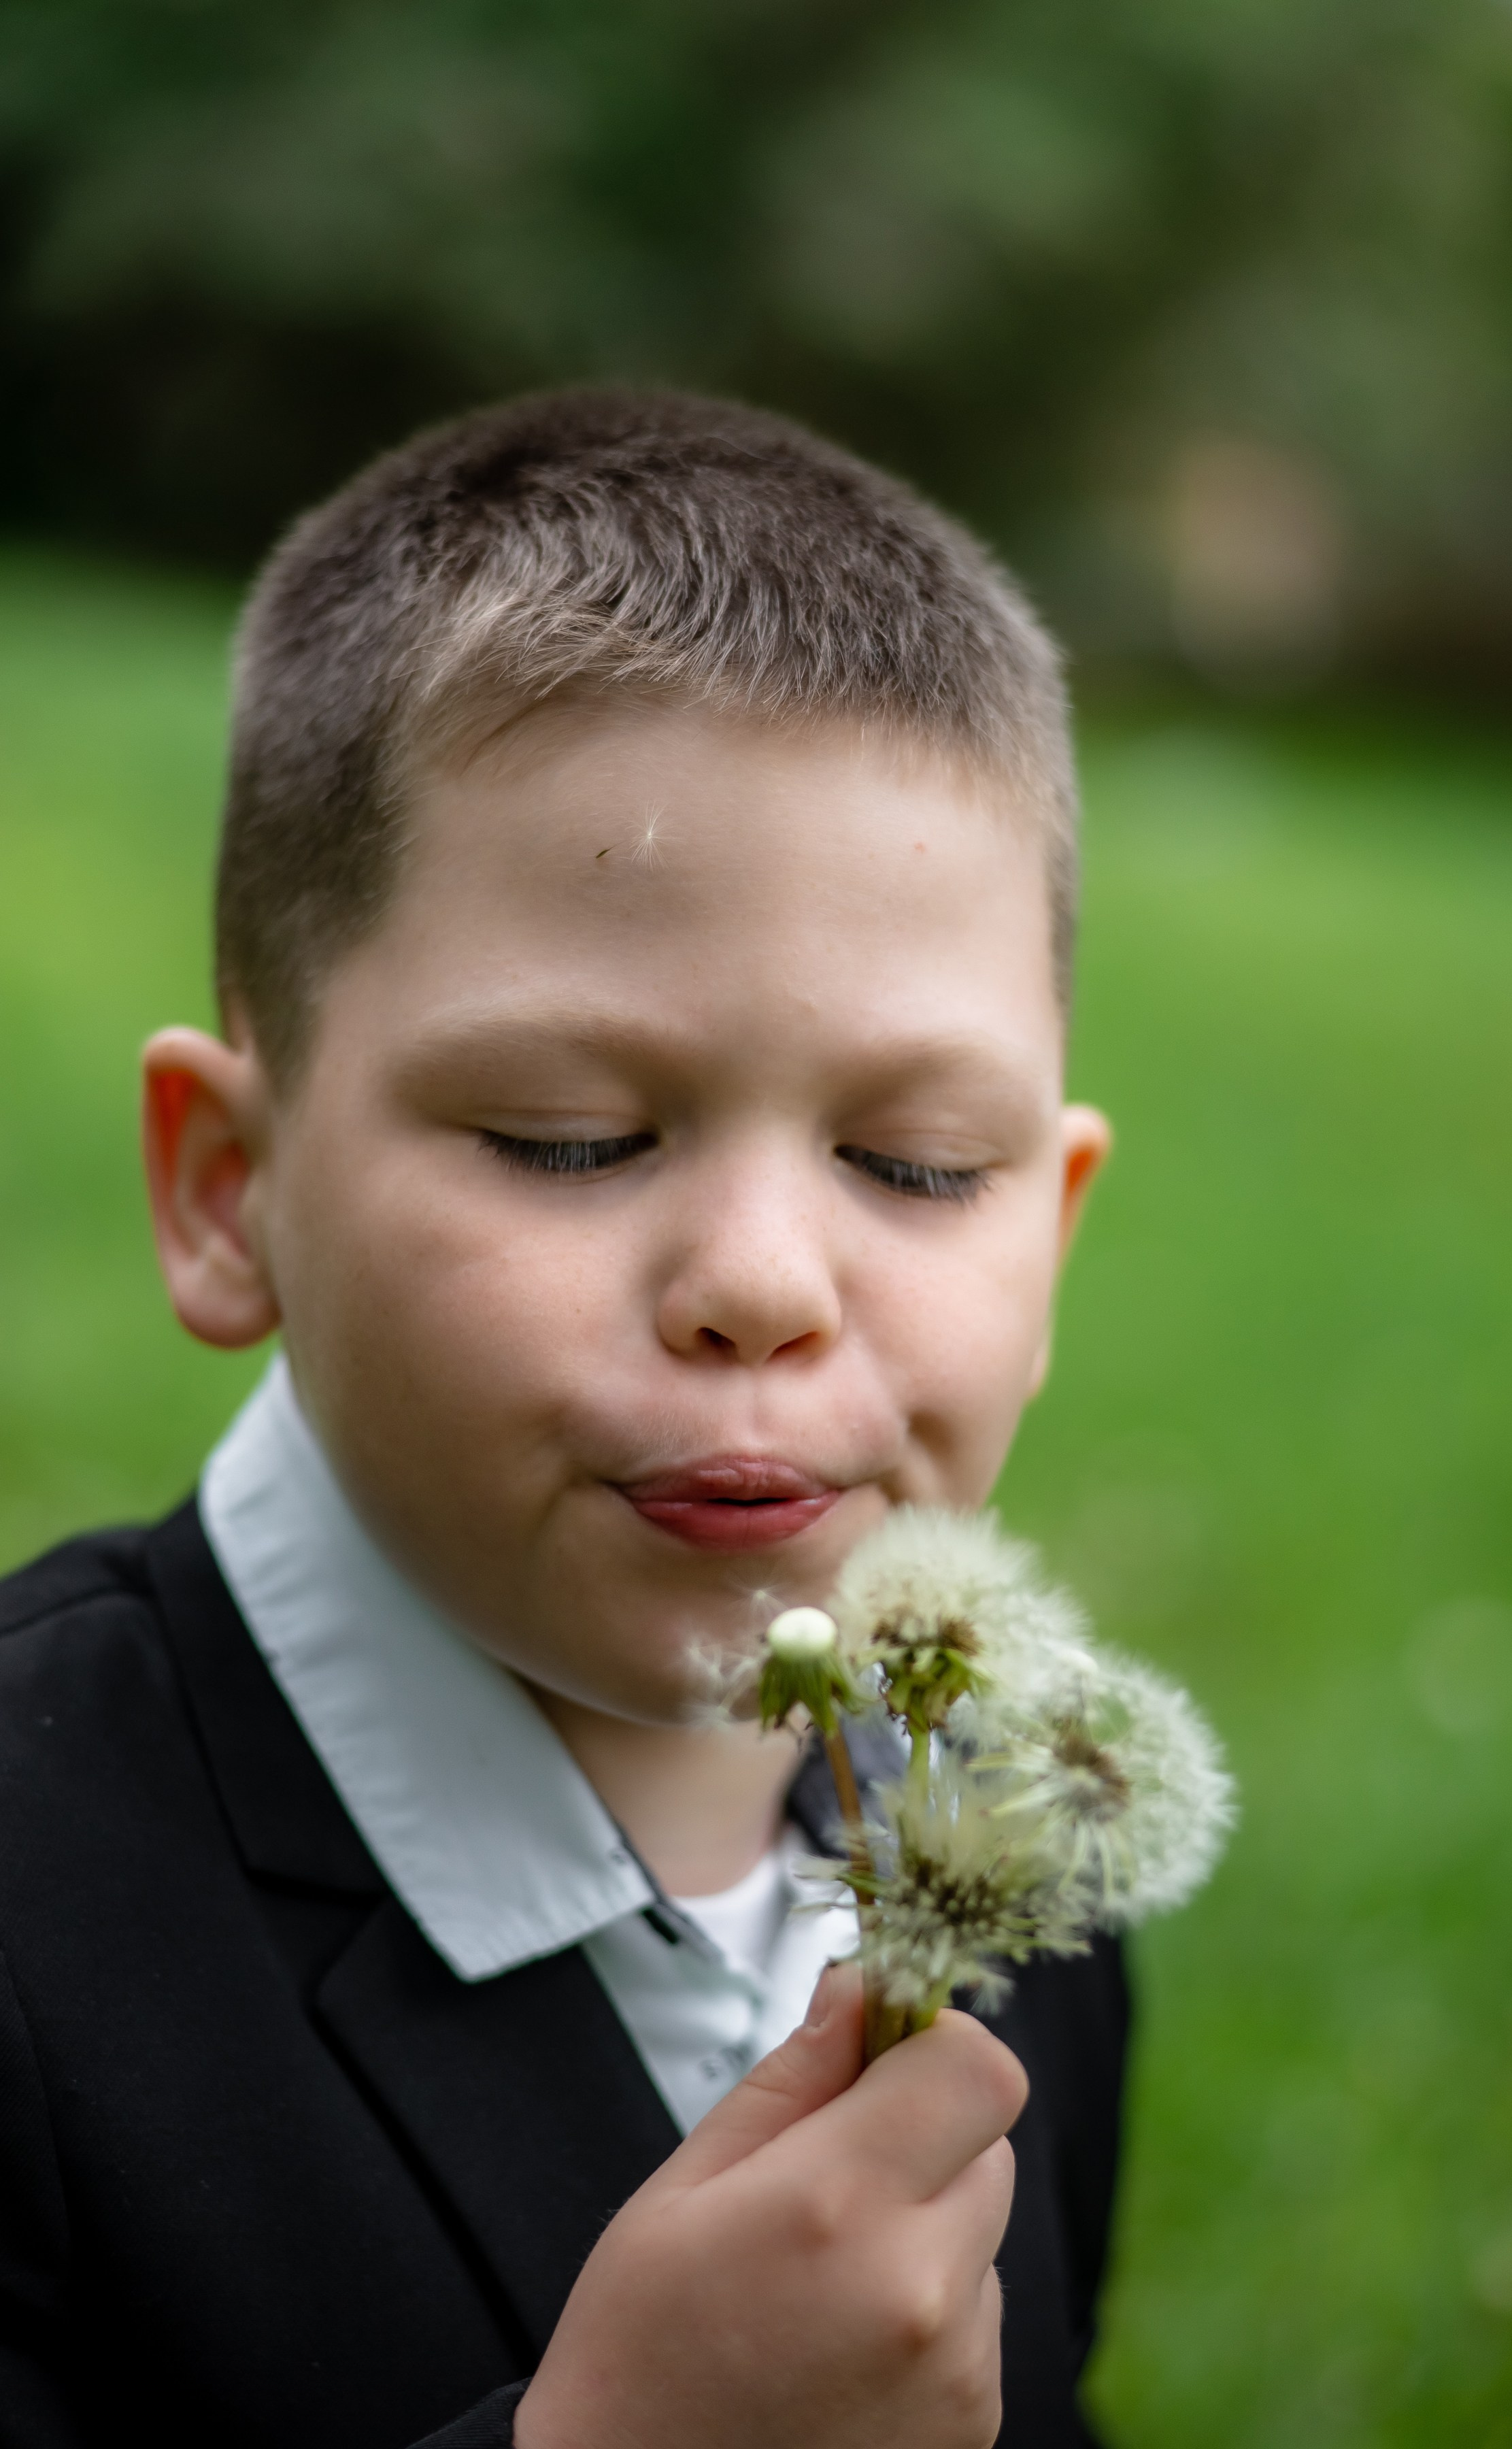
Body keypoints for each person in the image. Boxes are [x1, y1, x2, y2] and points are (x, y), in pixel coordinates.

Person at [0, 391, 1128, 2448]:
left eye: (919, 1165)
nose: (768, 1284)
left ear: (1052, 1233)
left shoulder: (1022, 1862)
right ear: (227, 1194)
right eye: (572, 1137)